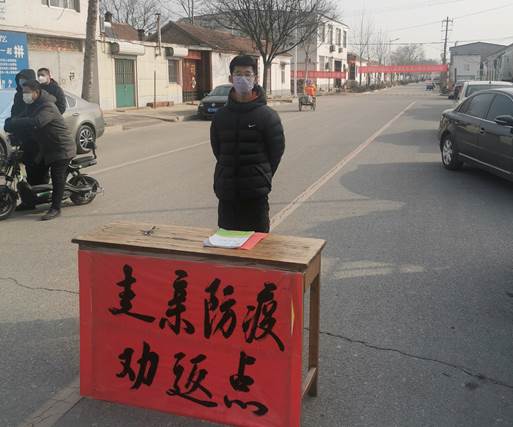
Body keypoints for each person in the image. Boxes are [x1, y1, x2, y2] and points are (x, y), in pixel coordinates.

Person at [210, 55, 285, 233]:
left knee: (258, 251)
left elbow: (275, 154)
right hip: (227, 194)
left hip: (255, 196)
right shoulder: (221, 116)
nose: (242, 78)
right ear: (230, 79)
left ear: (255, 78)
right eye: (238, 74)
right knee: (227, 249)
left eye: (247, 74)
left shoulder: (268, 116)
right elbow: (218, 151)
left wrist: (259, 175)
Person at [4, 80, 76, 220]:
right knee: (34, 173)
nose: (25, 95)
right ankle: (30, 202)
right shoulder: (31, 105)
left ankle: (55, 208)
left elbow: (37, 122)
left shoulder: (47, 106)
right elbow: (22, 118)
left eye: (27, 92)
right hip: (46, 147)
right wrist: (10, 122)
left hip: (61, 147)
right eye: (23, 92)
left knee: (57, 176)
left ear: (36, 92)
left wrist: (15, 122)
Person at [10, 69, 51, 196]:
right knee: (29, 168)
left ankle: (44, 196)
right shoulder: (19, 95)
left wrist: (20, 122)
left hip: (38, 138)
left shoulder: (40, 99)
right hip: (25, 138)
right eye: (20, 79)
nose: (22, 82)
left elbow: (36, 119)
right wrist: (13, 124)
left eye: (24, 79)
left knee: (41, 169)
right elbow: (16, 114)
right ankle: (31, 199)